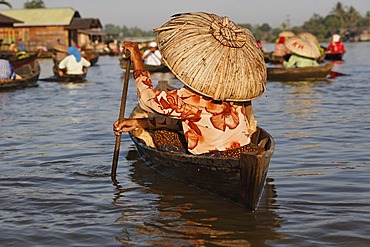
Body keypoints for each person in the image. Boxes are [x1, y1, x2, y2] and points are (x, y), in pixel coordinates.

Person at [113, 42, 262, 157]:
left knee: (162, 134)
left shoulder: (192, 97)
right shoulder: (237, 89)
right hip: (242, 148)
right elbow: (191, 121)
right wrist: (139, 123)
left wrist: (137, 57)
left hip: (213, 154)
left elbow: (147, 99)